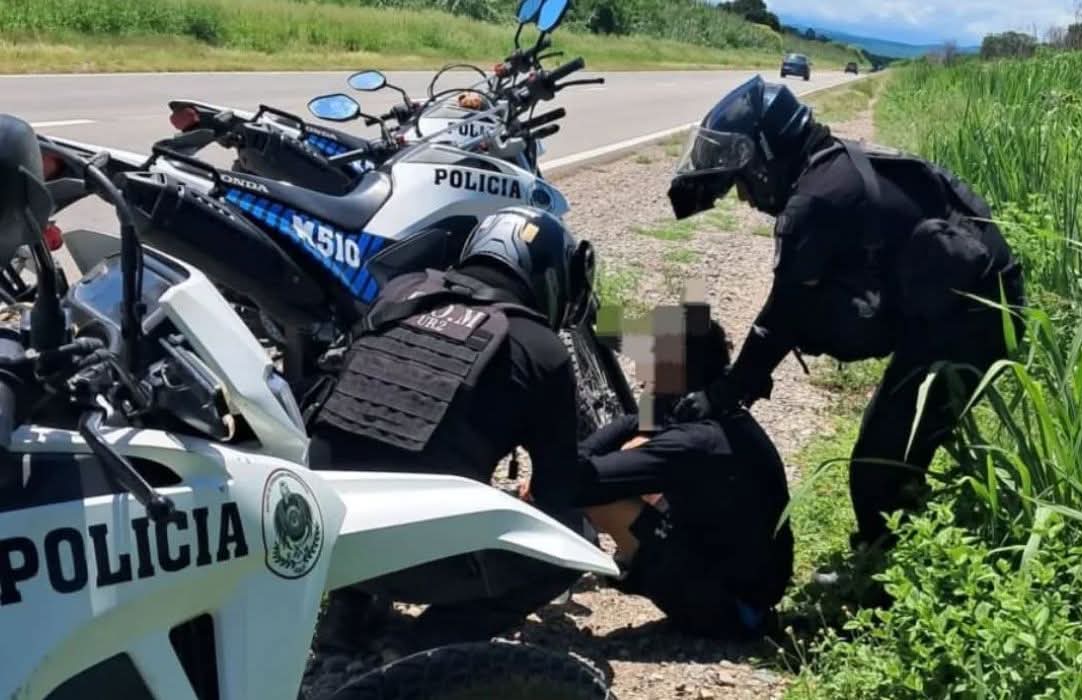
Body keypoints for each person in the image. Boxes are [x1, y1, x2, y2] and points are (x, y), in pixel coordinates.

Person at [666, 75, 1026, 589]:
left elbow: (779, 317)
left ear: (768, 155)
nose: (744, 196)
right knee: (893, 443)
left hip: (976, 318)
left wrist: (725, 392)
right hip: (962, 301)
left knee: (879, 461)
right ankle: (902, 556)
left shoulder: (815, 200)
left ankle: (886, 586)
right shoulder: (826, 168)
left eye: (744, 180)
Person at [305, 205, 597, 653]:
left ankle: (346, 615)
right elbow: (559, 490)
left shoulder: (400, 292)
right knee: (575, 537)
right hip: (419, 558)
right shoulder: (539, 348)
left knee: (370, 447)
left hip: (322, 539)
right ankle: (429, 641)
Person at [528, 303, 794, 639]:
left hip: (730, 610)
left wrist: (551, 467)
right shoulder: (713, 412)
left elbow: (575, 482)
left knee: (600, 496)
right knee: (630, 456)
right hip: (745, 585)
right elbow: (635, 421)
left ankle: (536, 575)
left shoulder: (694, 442)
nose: (641, 371)